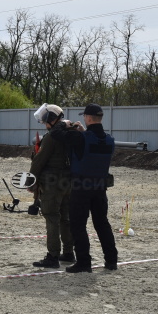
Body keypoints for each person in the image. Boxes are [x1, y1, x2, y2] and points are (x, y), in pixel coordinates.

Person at [51, 103, 118, 273]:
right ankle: (111, 261)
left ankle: (84, 262)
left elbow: (56, 133)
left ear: (88, 118)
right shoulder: (109, 140)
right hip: (100, 187)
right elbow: (92, 148)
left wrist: (64, 124)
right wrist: (82, 133)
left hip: (81, 187)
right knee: (102, 224)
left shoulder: (81, 138)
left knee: (78, 225)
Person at [28, 104, 75, 269]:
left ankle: (53, 256)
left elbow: (39, 161)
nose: (43, 123)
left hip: (52, 183)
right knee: (65, 218)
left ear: (51, 119)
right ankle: (69, 252)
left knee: (52, 217)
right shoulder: (70, 133)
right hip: (68, 182)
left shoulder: (51, 137)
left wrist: (31, 181)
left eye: (45, 120)